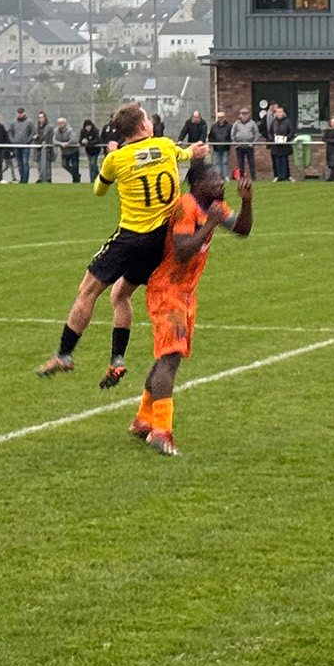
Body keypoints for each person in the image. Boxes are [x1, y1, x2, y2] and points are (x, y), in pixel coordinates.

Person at [37, 102, 204, 387]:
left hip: (131, 238)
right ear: (143, 126)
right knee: (120, 295)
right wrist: (197, 152)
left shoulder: (117, 159)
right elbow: (188, 154)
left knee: (87, 291)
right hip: (159, 242)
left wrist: (112, 160)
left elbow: (99, 190)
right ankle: (117, 360)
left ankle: (65, 354)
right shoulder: (164, 146)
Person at [129, 162, 254, 455]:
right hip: (167, 289)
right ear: (197, 185)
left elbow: (243, 229)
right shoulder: (186, 206)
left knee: (169, 355)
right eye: (214, 180)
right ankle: (162, 430)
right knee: (170, 356)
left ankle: (143, 420)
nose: (221, 184)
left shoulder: (216, 206)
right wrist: (210, 223)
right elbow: (183, 251)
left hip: (185, 291)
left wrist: (247, 203)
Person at [228, 107, 259, 181]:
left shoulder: (252, 123)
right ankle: (241, 178)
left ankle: (253, 178)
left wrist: (253, 143)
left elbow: (256, 134)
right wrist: (235, 143)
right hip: (239, 147)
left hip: (249, 146)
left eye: (246, 114)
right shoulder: (236, 124)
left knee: (251, 162)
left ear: (248, 115)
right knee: (240, 163)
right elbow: (232, 134)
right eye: (243, 114)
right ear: (240, 115)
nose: (244, 116)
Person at [266, 103, 294, 182]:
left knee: (284, 161)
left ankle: (285, 176)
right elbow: (270, 132)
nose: (279, 113)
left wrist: (287, 138)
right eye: (277, 112)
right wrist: (272, 139)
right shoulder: (274, 122)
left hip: (284, 146)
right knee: (277, 161)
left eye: (280, 112)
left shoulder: (287, 121)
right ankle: (278, 176)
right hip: (276, 146)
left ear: (283, 113)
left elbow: (291, 131)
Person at [7, 108, 36, 184]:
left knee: (25, 162)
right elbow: (10, 132)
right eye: (19, 113)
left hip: (25, 146)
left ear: (24, 113)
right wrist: (13, 141)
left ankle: (25, 179)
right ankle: (22, 179)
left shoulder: (29, 122)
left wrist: (28, 141)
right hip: (16, 146)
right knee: (19, 163)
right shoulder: (14, 123)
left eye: (21, 113)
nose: (20, 114)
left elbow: (33, 132)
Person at [207, 110, 233, 176]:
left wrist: (227, 143)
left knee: (225, 162)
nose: (220, 119)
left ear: (224, 117)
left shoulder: (229, 126)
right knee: (216, 163)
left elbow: (231, 136)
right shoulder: (214, 127)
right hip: (216, 148)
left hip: (225, 148)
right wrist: (214, 144)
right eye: (219, 117)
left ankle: (226, 177)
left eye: (222, 117)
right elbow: (211, 136)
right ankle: (217, 177)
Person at [53, 113, 77, 183]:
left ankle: (76, 179)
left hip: (73, 151)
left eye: (62, 123)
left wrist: (67, 144)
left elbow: (73, 140)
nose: (60, 124)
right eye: (59, 123)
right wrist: (61, 144)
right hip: (64, 152)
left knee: (75, 166)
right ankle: (76, 174)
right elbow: (54, 140)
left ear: (65, 123)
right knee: (64, 165)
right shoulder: (56, 131)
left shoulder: (69, 130)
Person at [35, 112, 54, 183]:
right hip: (38, 147)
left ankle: (48, 178)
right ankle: (40, 178)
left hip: (47, 148)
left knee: (47, 164)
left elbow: (51, 137)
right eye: (39, 117)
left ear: (45, 118)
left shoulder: (49, 127)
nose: (41, 119)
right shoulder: (36, 126)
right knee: (39, 164)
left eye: (42, 117)